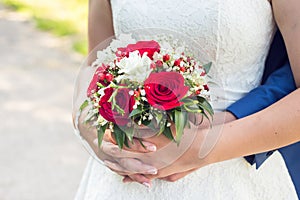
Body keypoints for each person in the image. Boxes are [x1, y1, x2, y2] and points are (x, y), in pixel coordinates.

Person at [75, 0, 300, 199]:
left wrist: (203, 148)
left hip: (230, 175)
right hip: (122, 181)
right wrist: (93, 133)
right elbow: (95, 63)